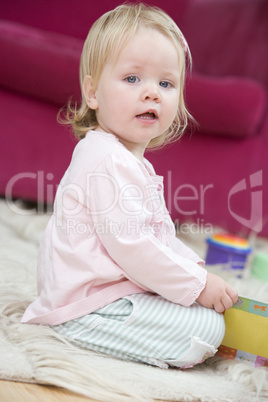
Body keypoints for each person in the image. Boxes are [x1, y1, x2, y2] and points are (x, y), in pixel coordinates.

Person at [21, 3, 238, 369]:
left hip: (110, 292)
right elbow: (134, 247)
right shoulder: (107, 161)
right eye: (133, 79)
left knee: (198, 307)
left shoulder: (125, 159)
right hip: (86, 305)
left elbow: (156, 238)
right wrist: (197, 285)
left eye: (166, 83)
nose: (152, 93)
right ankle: (84, 332)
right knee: (206, 329)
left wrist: (195, 272)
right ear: (92, 93)